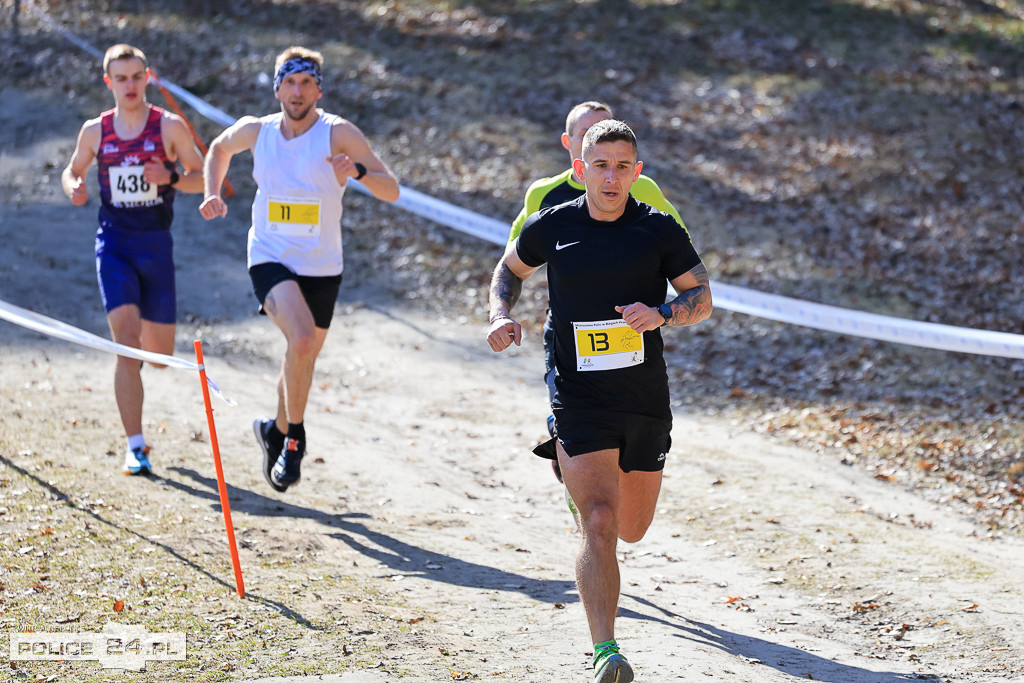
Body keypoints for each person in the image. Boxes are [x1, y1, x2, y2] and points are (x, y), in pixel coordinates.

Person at [486, 120, 712, 683]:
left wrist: (662, 314)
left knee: (632, 527)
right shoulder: (553, 224)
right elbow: (508, 270)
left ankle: (579, 471)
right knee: (600, 520)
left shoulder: (657, 229)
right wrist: (500, 314)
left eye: (622, 166)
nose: (611, 177)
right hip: (577, 392)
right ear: (580, 169)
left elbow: (701, 297)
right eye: (600, 165)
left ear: (637, 173)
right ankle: (606, 652)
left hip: (642, 397)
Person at [199, 46, 399, 493]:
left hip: (323, 265)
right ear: (277, 88)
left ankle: (274, 429)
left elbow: (392, 190)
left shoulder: (338, 134)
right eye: (289, 82)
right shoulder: (258, 130)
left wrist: (360, 170)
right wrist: (212, 191)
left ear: (318, 88)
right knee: (303, 339)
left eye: (306, 82)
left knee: (300, 355)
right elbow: (217, 148)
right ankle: (295, 441)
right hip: (269, 253)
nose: (297, 90)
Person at [508, 101, 688, 482]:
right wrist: (502, 310)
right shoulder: (544, 194)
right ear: (571, 144)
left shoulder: (643, 189)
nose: (610, 168)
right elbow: (514, 258)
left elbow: (679, 245)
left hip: (632, 331)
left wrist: (663, 304)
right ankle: (572, 460)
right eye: (587, 135)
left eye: (607, 128)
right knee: (583, 447)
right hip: (568, 327)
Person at [61, 43, 205, 476]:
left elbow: (205, 180)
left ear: (148, 78)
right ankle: (136, 446)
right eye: (120, 78)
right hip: (115, 245)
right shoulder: (95, 131)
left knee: (158, 357)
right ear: (109, 82)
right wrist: (75, 188)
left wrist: (173, 177)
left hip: (156, 246)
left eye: (136, 77)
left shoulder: (169, 127)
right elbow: (72, 171)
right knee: (126, 343)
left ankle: (147, 352)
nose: (129, 85)